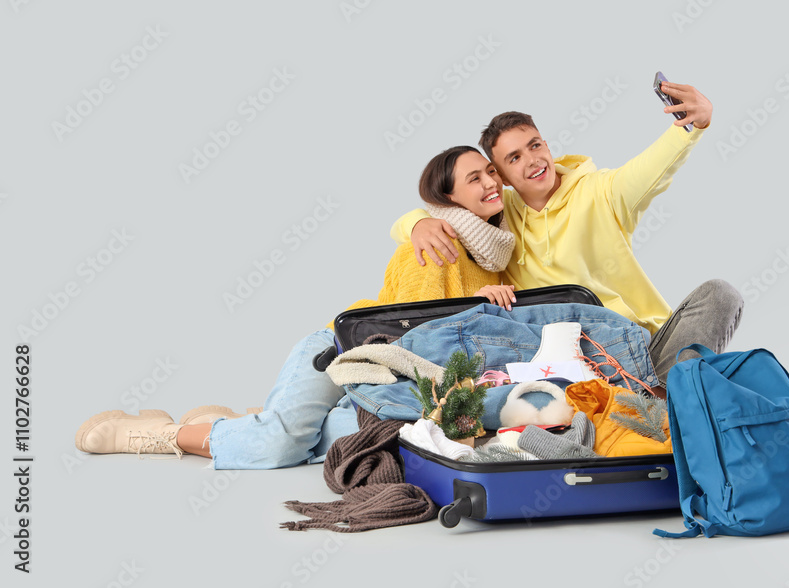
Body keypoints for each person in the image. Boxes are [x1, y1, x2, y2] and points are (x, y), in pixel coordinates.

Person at [75, 146, 519, 464]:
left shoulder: (493, 258)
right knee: (281, 445)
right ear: (448, 198)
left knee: (378, 438)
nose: (490, 182)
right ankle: (159, 434)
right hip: (346, 349)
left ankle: (239, 422)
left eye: (489, 172)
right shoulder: (435, 243)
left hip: (389, 373)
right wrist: (472, 309)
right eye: (473, 179)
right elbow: (411, 333)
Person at [391, 81, 744, 397]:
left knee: (721, 294)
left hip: (646, 347)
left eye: (535, 146)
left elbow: (653, 167)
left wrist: (692, 126)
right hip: (577, 363)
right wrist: (417, 223)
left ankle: (660, 399)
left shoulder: (602, 192)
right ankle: (666, 401)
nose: (532, 160)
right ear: (504, 177)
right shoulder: (499, 219)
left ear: (546, 145)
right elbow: (446, 213)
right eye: (515, 158)